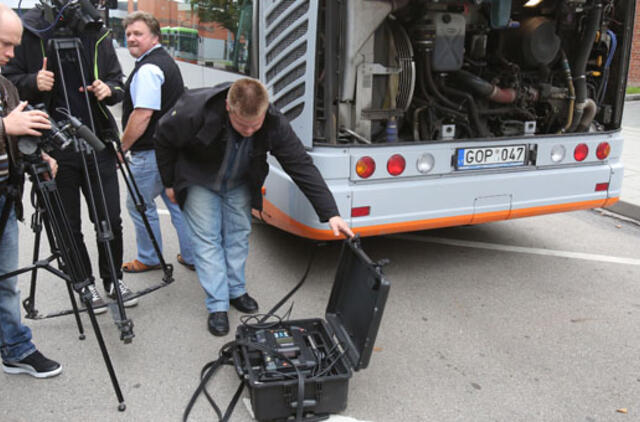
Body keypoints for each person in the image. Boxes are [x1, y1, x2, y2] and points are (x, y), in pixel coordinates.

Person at [155, 78, 354, 336]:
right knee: (208, 239)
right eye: (242, 125)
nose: (249, 131)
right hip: (198, 179)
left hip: (239, 182)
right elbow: (163, 137)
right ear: (229, 108)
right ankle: (217, 304)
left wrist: (331, 213)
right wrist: (169, 182)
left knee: (239, 233)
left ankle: (236, 290)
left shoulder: (274, 122)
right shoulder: (195, 110)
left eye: (255, 125)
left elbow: (300, 165)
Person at [2, 2, 136, 311]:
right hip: (54, 146)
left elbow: (118, 81)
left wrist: (109, 90)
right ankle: (84, 284)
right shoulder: (30, 27)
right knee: (67, 224)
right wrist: (33, 82)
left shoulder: (94, 28)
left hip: (96, 139)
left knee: (110, 219)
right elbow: (9, 84)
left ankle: (113, 280)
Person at [0, 4, 61, 378]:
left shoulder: (5, 85)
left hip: (5, 198)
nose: (10, 54)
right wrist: (7, 125)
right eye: (5, 45)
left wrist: (38, 156)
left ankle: (15, 348)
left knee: (7, 281)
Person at [119, 12, 194, 274]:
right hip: (170, 151)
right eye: (128, 34)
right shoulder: (166, 62)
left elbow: (142, 114)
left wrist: (122, 147)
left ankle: (149, 257)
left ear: (154, 37)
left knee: (139, 205)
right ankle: (192, 255)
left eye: (138, 33)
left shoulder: (149, 69)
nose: (131, 38)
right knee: (175, 203)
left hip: (150, 153)